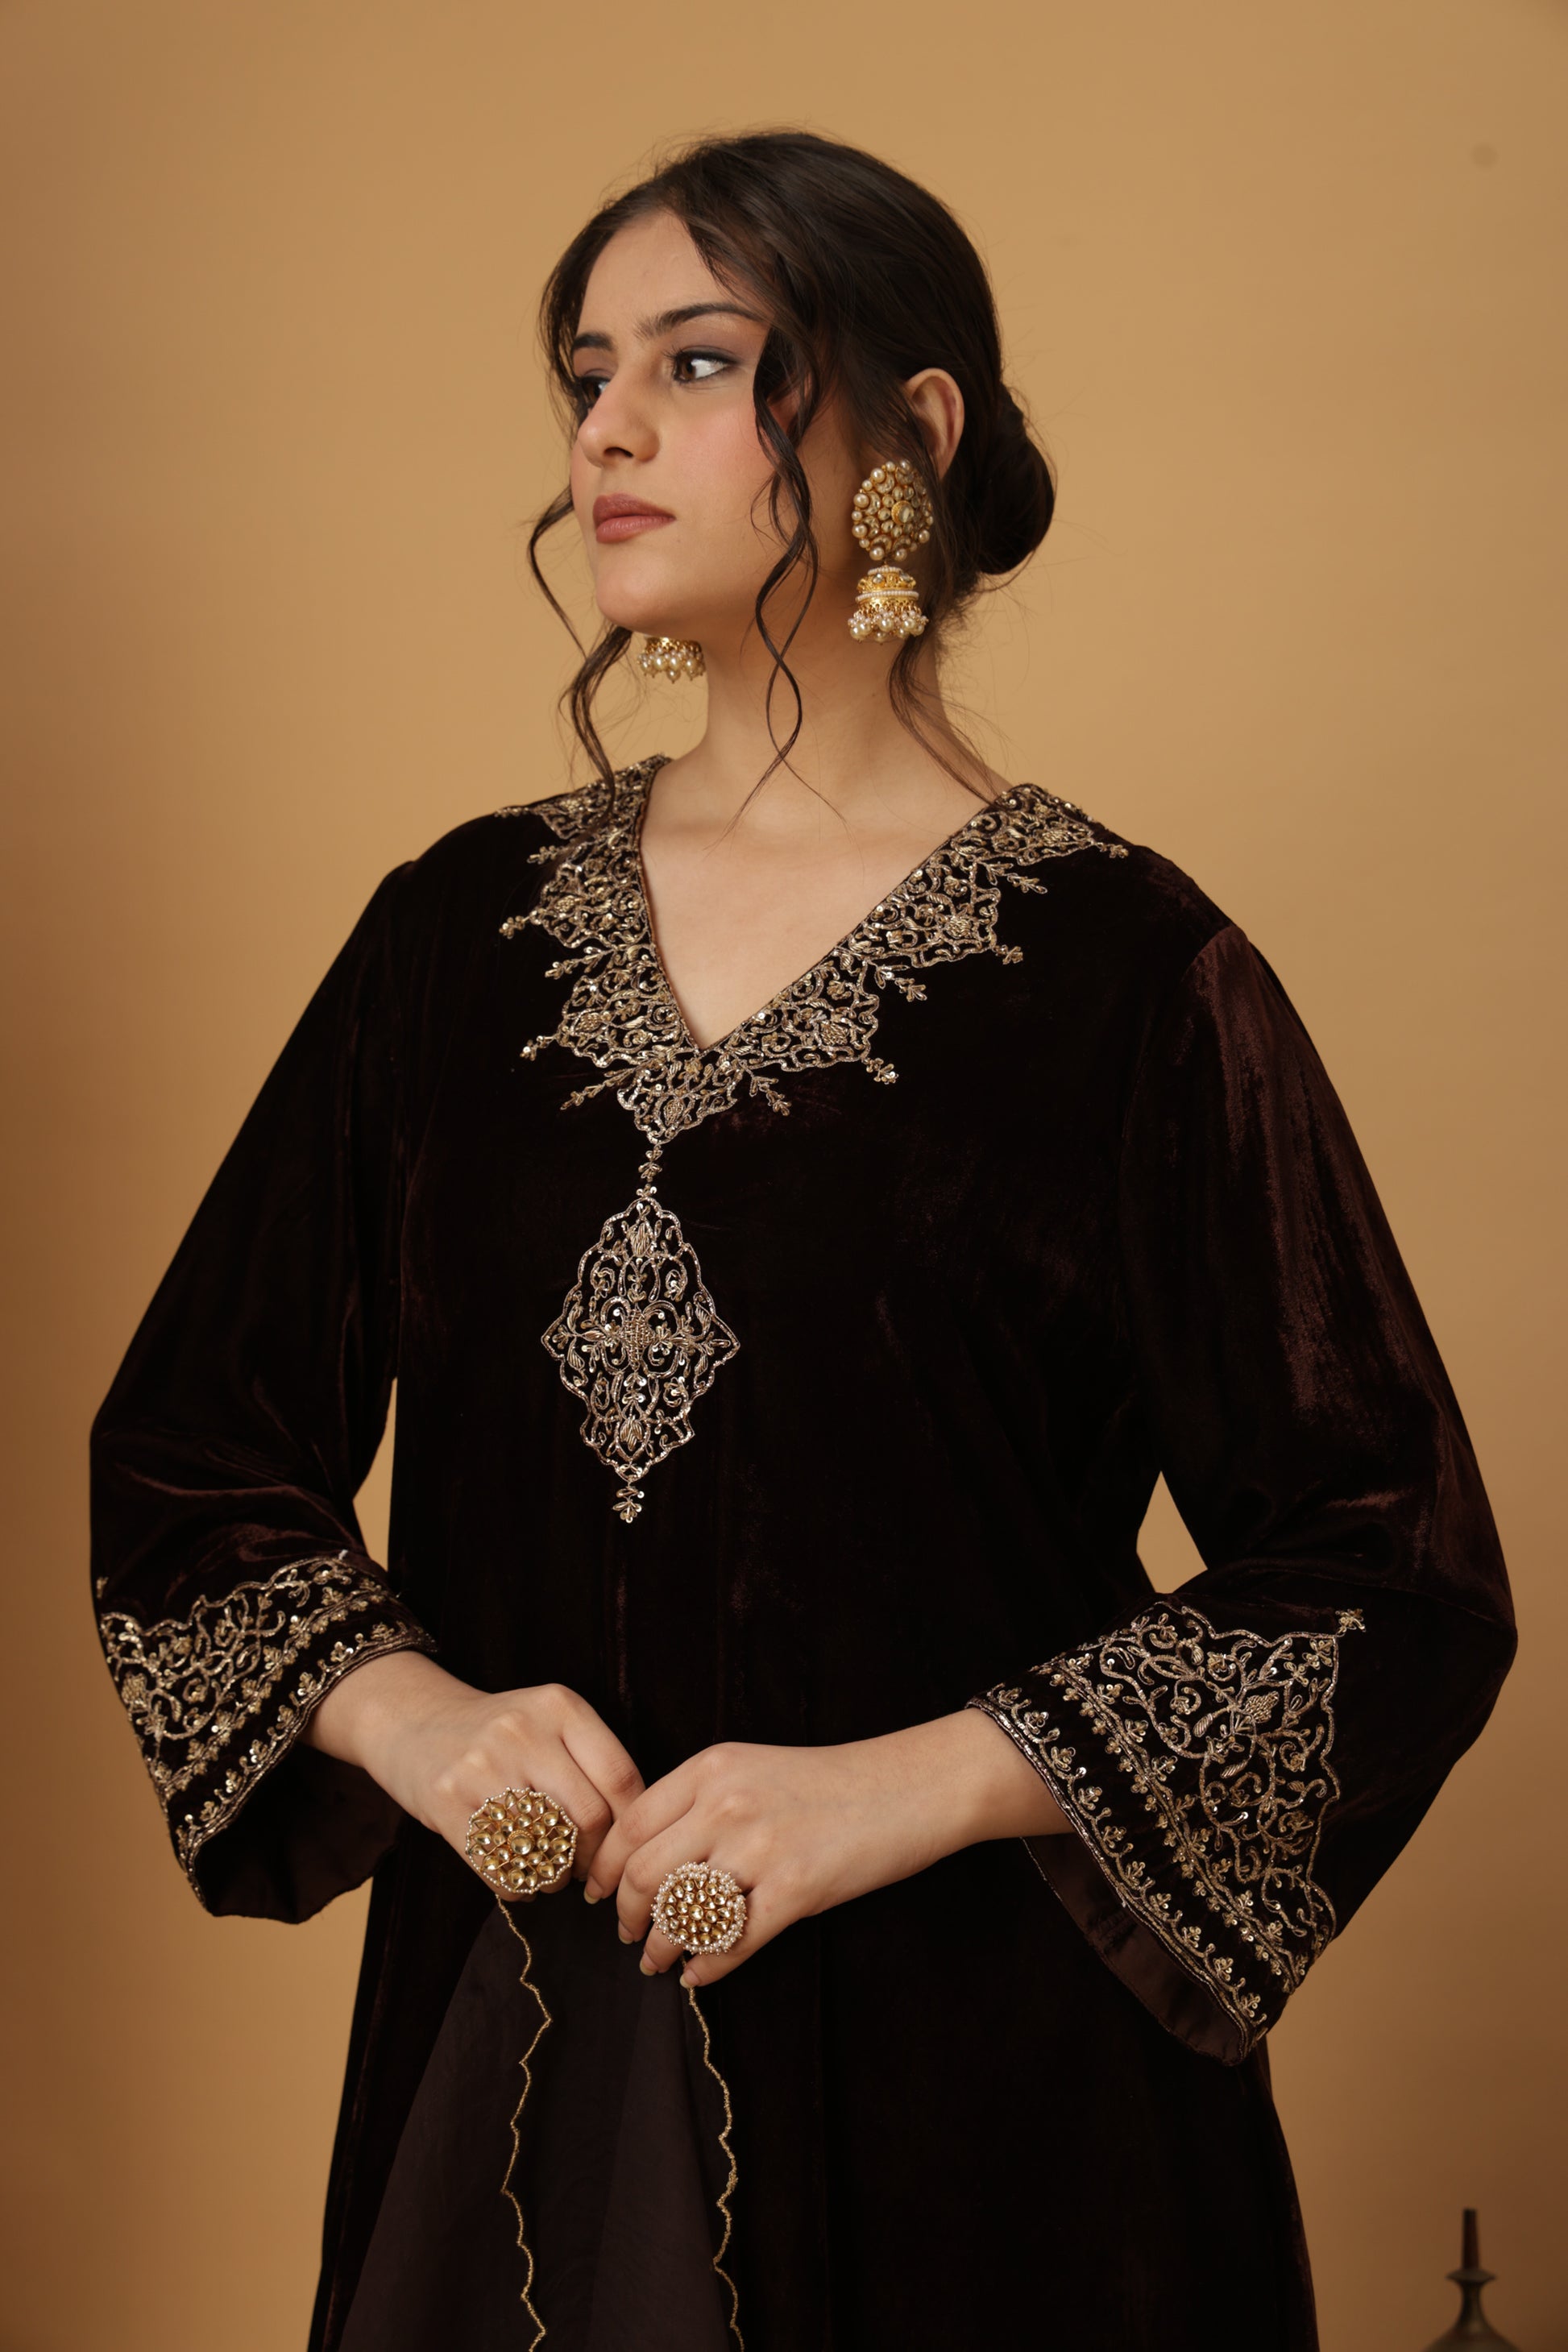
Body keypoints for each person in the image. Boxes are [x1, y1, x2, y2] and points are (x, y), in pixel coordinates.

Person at [89, 128, 1515, 2352]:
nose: (606, 430)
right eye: (587, 374)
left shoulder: (1131, 978)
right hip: (521, 2080)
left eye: (696, 362)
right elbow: (190, 1461)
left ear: (905, 437)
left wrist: (908, 1789)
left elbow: (1391, 1572)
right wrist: (417, 1723)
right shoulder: (448, 943)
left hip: (996, 2119)